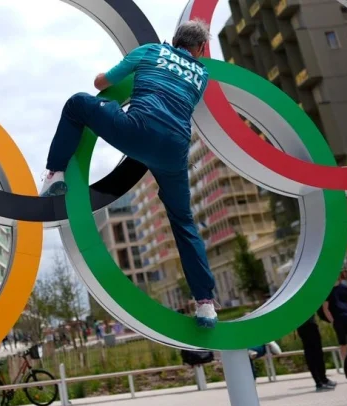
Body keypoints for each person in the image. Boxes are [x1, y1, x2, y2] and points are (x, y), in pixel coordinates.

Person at [38, 19, 217, 328]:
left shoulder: (150, 51)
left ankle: (55, 174)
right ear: (201, 48)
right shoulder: (201, 75)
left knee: (77, 104)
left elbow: (101, 84)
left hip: (136, 130)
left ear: (174, 39)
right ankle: (205, 304)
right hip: (174, 151)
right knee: (184, 221)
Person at [296, 316, 336, 391]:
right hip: (307, 325)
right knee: (315, 354)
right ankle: (320, 382)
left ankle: (322, 379)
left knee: (316, 353)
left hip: (304, 325)